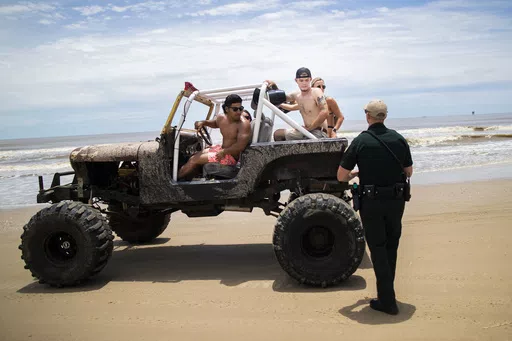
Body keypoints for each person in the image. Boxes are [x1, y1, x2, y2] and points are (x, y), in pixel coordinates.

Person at [337, 99, 413, 315]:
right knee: (391, 246)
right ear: (385, 117)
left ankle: (387, 300)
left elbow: (341, 175)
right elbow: (409, 171)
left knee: (378, 248)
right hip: (396, 201)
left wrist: (355, 174)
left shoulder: (361, 141)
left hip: (371, 202)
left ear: (367, 116)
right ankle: (386, 295)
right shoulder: (398, 139)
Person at [178, 94, 252, 179]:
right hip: (221, 149)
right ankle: (189, 179)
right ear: (227, 109)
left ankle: (173, 183)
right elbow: (215, 123)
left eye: (240, 108)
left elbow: (240, 146)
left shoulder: (244, 124)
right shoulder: (221, 118)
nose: (239, 112)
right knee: (194, 155)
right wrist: (204, 122)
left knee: (193, 160)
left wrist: (224, 152)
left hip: (230, 156)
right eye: (235, 109)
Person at [265, 67, 329, 141]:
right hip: (306, 131)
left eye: (306, 80)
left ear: (310, 79)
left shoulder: (316, 92)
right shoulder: (297, 95)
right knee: (278, 134)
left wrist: (309, 128)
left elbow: (325, 112)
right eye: (301, 80)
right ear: (296, 80)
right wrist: (273, 86)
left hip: (319, 132)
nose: (304, 83)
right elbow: (281, 97)